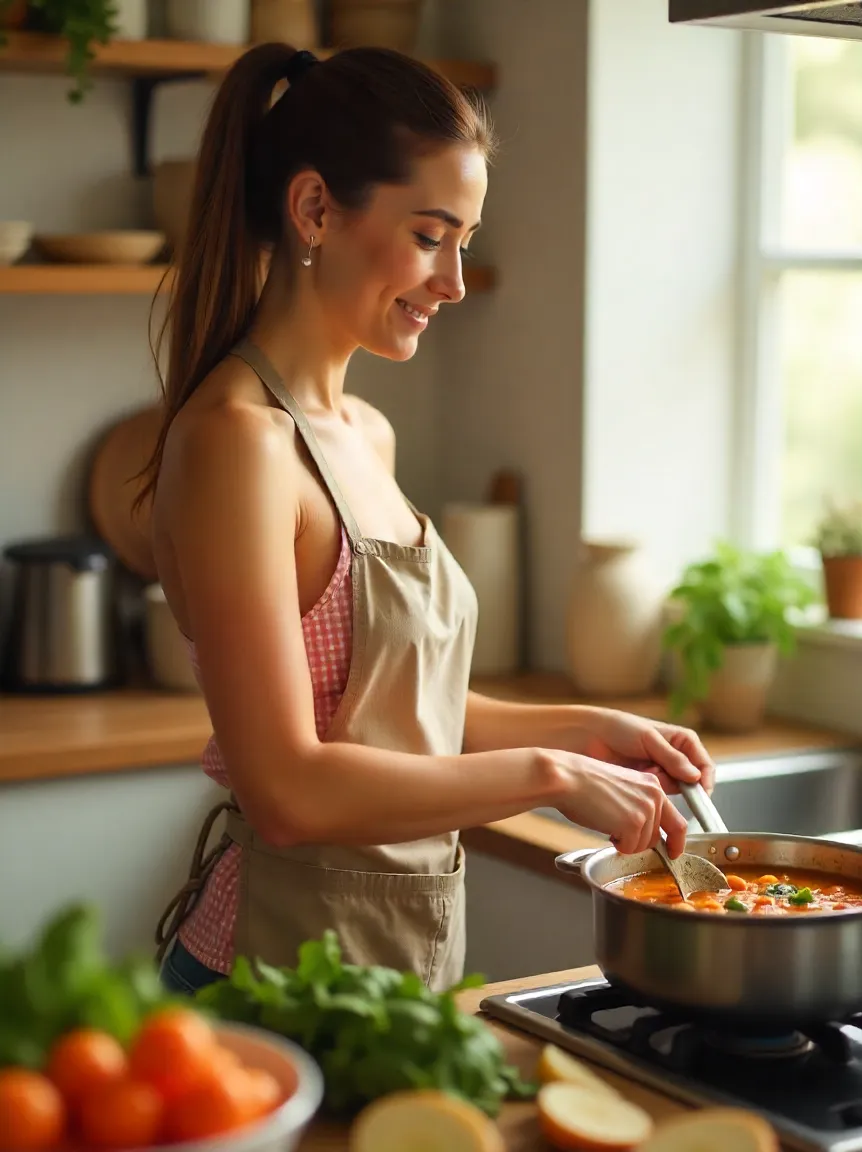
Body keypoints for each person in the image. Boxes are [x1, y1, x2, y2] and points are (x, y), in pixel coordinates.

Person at [145, 41, 715, 998]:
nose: (452, 280)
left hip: (387, 966)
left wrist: (590, 730)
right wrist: (548, 775)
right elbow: (286, 790)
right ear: (315, 209)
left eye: (465, 241)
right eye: (428, 234)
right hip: (260, 976)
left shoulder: (364, 432)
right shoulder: (239, 442)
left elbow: (400, 717)